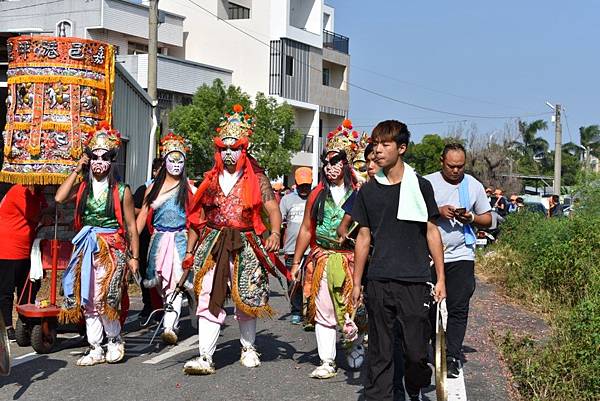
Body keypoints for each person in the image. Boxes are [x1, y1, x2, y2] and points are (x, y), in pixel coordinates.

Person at [182, 104, 287, 375]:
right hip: (214, 242)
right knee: (207, 294)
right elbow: (198, 216)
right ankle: (205, 356)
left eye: (234, 148)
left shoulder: (257, 177)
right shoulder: (211, 179)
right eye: (224, 148)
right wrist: (190, 251)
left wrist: (275, 233)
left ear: (244, 149)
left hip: (246, 242)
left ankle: (249, 347)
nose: (228, 153)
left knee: (247, 295)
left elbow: (272, 208)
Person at [351, 120, 446, 401]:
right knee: (380, 352)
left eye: (385, 144)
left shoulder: (421, 186)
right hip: (379, 280)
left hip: (415, 280)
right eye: (375, 144)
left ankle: (414, 386)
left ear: (401, 148)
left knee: (416, 353)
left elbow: (431, 231)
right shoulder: (368, 190)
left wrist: (440, 278)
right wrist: (357, 282)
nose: (378, 150)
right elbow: (363, 237)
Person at [55, 122, 139, 366]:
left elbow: (132, 227)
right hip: (86, 246)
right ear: (89, 160)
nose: (99, 162)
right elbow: (60, 198)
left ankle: (114, 340)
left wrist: (134, 257)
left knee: (105, 297)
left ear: (111, 161)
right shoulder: (83, 188)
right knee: (88, 298)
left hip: (110, 249)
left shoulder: (122, 191)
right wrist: (76, 169)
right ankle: (95, 347)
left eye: (104, 158)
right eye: (94, 157)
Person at [290, 119, 365, 379]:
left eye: (335, 162)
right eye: (327, 162)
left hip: (351, 259)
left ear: (347, 164)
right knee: (323, 309)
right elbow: (307, 230)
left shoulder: (361, 193)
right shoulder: (316, 194)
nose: (330, 167)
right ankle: (327, 360)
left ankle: (355, 344)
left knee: (350, 307)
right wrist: (296, 262)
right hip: (322, 257)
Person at [424, 143, 492, 378]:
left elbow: (488, 218)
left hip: (461, 253)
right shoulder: (427, 183)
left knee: (459, 306)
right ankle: (430, 347)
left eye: (460, 167)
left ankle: (452, 356)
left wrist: (470, 217)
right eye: (451, 166)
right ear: (441, 161)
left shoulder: (473, 185)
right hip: (429, 255)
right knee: (428, 306)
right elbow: (411, 214)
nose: (455, 171)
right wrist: (437, 211)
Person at [136, 133, 195, 345]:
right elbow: (142, 216)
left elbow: (197, 219)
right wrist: (130, 242)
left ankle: (171, 326)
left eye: (180, 160)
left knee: (175, 283)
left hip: (180, 240)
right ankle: (172, 312)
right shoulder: (152, 188)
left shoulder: (189, 189)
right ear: (165, 160)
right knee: (161, 284)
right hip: (159, 241)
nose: (176, 164)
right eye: (172, 160)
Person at [0, 184, 48, 341]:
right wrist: (45, 216)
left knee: (30, 285)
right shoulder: (19, 191)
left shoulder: (38, 194)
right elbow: (34, 215)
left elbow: (45, 210)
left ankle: (25, 321)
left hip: (28, 249)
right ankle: (7, 326)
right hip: (8, 249)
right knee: (6, 291)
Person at [279, 167, 313, 325]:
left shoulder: (316, 198)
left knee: (312, 282)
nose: (304, 188)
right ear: (296, 184)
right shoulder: (287, 200)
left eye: (307, 185)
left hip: (312, 249)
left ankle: (312, 313)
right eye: (301, 185)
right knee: (294, 283)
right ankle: (296, 311)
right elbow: (279, 220)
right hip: (292, 249)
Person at [133, 158, 163, 324]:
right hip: (146, 235)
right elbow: (136, 209)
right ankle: (149, 304)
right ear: (154, 172)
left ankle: (165, 306)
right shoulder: (144, 189)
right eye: (158, 170)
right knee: (146, 271)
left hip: (166, 235)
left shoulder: (175, 189)